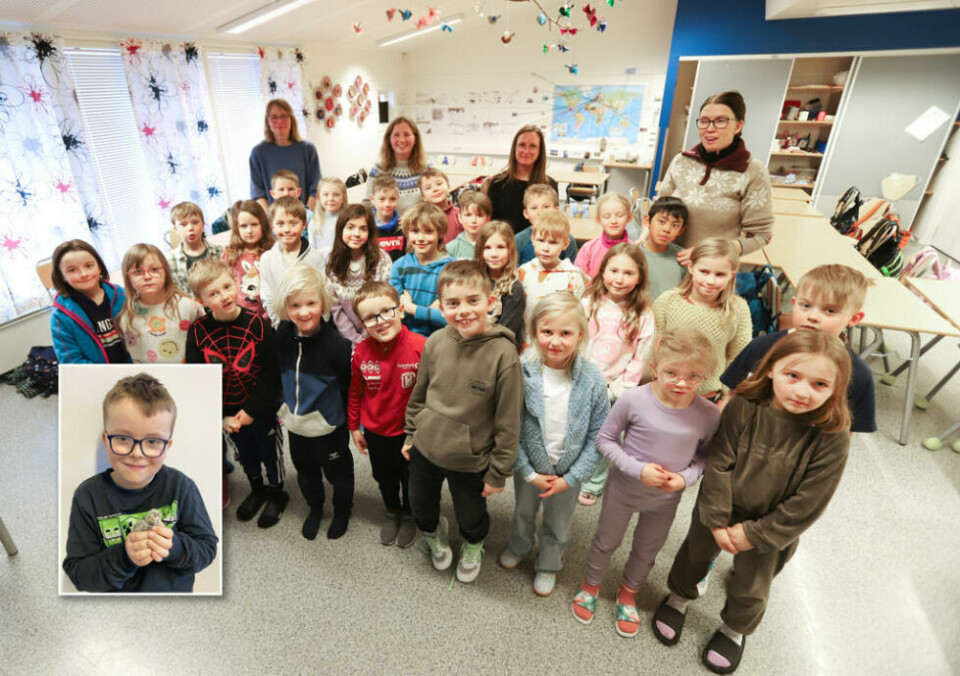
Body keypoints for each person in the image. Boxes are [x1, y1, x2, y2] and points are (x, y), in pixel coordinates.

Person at [651, 330, 853, 675]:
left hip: (773, 525)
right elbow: (720, 461)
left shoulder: (833, 434)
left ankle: (735, 630)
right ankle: (679, 597)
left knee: (752, 583)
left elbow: (810, 501)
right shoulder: (745, 405)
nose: (803, 391)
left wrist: (755, 535)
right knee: (694, 555)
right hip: (719, 505)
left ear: (837, 388)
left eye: (820, 385)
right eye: (793, 376)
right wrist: (716, 519)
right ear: (771, 369)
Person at [572, 329, 720, 636]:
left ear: (705, 376)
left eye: (693, 376)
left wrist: (684, 478)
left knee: (647, 550)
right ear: (655, 367)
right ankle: (591, 585)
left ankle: (628, 594)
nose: (682, 383)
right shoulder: (634, 399)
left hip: (664, 501)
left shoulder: (708, 414)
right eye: (672, 373)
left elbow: (705, 458)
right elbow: (605, 440)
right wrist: (638, 470)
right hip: (624, 491)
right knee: (605, 541)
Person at [402, 261, 523, 584]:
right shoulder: (435, 342)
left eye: (473, 300)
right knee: (420, 505)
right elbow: (420, 392)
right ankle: (432, 533)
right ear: (441, 307)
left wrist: (499, 472)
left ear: (491, 302)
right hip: (425, 448)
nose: (463, 310)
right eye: (453, 304)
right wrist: (411, 434)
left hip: (471, 459)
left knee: (471, 516)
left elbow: (508, 422)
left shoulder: (503, 355)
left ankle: (473, 545)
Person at [63, 373, 218, 593]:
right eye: (123, 439)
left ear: (167, 446)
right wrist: (125, 557)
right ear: (106, 441)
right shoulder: (88, 496)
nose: (137, 453)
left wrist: (173, 547)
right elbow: (80, 575)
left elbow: (207, 550)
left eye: (153, 441)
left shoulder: (181, 487)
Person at [501, 294, 608, 597]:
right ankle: (520, 546)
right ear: (534, 331)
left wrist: (572, 478)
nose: (556, 342)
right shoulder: (522, 370)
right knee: (523, 511)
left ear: (580, 335)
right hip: (530, 468)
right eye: (547, 332)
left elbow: (599, 435)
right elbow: (511, 426)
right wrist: (526, 471)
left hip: (568, 472)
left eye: (566, 333)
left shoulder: (592, 378)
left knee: (559, 522)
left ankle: (548, 563)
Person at [185, 258, 285, 529]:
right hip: (228, 412)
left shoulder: (258, 325)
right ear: (201, 299)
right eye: (213, 294)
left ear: (236, 283)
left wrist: (252, 410)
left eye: (227, 287)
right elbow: (199, 380)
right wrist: (221, 418)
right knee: (245, 455)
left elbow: (271, 374)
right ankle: (257, 489)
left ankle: (277, 493)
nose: (224, 296)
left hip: (260, 409)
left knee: (269, 454)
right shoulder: (197, 332)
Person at [721, 264, 876, 433]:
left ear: (854, 318)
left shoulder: (858, 374)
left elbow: (845, 433)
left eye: (830, 310)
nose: (812, 316)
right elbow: (731, 397)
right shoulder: (761, 346)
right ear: (794, 304)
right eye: (806, 306)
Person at [273, 265, 354, 541]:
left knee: (339, 475)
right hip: (296, 427)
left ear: (322, 301)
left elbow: (347, 386)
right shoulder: (282, 335)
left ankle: (342, 510)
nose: (303, 311)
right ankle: (315, 508)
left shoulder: (337, 346)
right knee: (306, 474)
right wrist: (280, 406)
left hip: (329, 429)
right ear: (285, 306)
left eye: (311, 303)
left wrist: (339, 421)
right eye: (295, 305)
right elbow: (275, 375)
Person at [577, 243, 657, 506]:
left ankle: (594, 483)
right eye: (613, 270)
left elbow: (640, 357)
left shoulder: (643, 314)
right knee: (575, 429)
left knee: (602, 437)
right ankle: (573, 470)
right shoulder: (588, 302)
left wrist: (617, 389)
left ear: (640, 278)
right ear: (603, 271)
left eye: (628, 273)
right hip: (580, 378)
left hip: (612, 387)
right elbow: (575, 339)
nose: (619, 279)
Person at [348, 281, 427, 549]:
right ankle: (392, 510)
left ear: (401, 310)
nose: (380, 321)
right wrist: (354, 427)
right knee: (384, 476)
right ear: (362, 323)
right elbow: (356, 391)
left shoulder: (422, 347)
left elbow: (432, 395)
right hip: (376, 432)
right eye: (370, 317)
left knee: (411, 478)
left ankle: (409, 513)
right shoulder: (361, 351)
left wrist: (419, 432)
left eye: (387, 311)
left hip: (411, 434)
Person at [658, 91, 773, 266]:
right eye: (704, 121)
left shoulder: (753, 171)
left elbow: (760, 235)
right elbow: (659, 210)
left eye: (720, 121)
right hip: (667, 262)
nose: (709, 128)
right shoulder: (681, 162)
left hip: (712, 272)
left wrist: (709, 252)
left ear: (738, 126)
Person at [653, 237, 752, 402]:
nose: (710, 281)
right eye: (704, 272)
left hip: (709, 397)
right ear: (691, 267)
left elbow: (739, 358)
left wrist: (726, 398)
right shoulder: (667, 301)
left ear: (732, 275)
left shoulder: (739, 309)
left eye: (720, 274)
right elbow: (654, 348)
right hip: (665, 392)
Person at [119, 243, 204, 364]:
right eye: (138, 271)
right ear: (128, 278)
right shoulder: (127, 318)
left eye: (154, 269)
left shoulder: (190, 307)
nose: (147, 276)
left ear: (165, 271)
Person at [50, 239, 129, 364]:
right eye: (72, 270)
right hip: (96, 377)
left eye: (89, 266)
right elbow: (71, 361)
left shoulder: (122, 295)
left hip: (134, 369)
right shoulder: (61, 316)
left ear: (99, 267)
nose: (84, 274)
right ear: (62, 276)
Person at [325, 204, 392, 345]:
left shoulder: (382, 259)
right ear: (340, 229)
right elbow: (336, 308)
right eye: (350, 227)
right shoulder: (332, 261)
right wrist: (356, 340)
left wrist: (368, 336)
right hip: (347, 339)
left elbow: (384, 302)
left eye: (363, 229)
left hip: (379, 333)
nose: (356, 233)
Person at [259, 196, 326, 328]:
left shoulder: (316, 257)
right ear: (272, 225)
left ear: (304, 224)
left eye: (293, 223)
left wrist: (317, 322)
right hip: (284, 327)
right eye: (280, 224)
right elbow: (268, 298)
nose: (286, 229)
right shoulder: (267, 259)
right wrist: (280, 326)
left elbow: (324, 293)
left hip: (315, 324)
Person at [388, 202, 453, 336]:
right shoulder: (399, 266)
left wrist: (411, 308)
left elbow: (448, 318)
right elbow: (395, 312)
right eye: (415, 231)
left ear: (440, 233)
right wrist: (430, 312)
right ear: (407, 233)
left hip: (441, 339)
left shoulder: (451, 268)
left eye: (428, 231)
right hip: (406, 339)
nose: (421, 238)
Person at [483, 125, 559, 234]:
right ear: (515, 147)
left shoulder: (549, 185)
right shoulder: (497, 183)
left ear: (540, 151)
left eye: (532, 146)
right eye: (522, 145)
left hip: (540, 246)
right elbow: (491, 225)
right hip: (505, 246)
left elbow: (553, 222)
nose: (526, 150)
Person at [249, 98, 321, 211]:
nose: (279, 121)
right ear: (267, 121)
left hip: (306, 219)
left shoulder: (307, 150)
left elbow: (316, 187)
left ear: (291, 119)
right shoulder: (258, 154)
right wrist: (274, 220)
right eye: (274, 117)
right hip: (276, 223)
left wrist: (306, 216)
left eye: (284, 116)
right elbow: (258, 193)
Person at [518, 210, 588, 324]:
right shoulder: (523, 272)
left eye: (553, 242)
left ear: (565, 244)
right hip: (526, 338)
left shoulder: (573, 277)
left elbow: (579, 317)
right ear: (533, 239)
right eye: (540, 240)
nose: (545, 248)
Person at [221, 200, 276, 319]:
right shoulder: (230, 254)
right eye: (244, 226)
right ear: (237, 228)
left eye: (254, 224)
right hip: (241, 316)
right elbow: (224, 286)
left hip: (271, 314)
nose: (249, 231)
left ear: (263, 225)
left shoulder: (272, 251)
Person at [475, 220, 525, 345]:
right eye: (487, 248)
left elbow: (506, 332)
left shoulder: (514, 288)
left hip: (498, 349)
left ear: (510, 250)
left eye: (501, 247)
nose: (494, 254)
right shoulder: (473, 281)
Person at [365, 117, 427, 217]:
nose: (402, 140)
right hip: (385, 230)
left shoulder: (427, 170)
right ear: (389, 138)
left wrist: (412, 220)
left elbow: (434, 206)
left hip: (418, 228)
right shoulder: (378, 170)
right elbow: (367, 204)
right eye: (396, 135)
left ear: (415, 138)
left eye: (407, 134)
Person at [165, 202, 224, 298]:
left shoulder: (219, 252)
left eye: (195, 222)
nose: (190, 228)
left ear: (203, 224)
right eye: (183, 224)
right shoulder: (170, 261)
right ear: (175, 229)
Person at [513, 184, 578, 265]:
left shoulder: (568, 239)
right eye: (534, 208)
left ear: (556, 209)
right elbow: (513, 273)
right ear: (526, 213)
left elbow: (570, 270)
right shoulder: (518, 240)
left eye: (546, 207)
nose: (540, 212)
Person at [640, 196, 688, 302]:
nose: (667, 229)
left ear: (681, 230)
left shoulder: (682, 258)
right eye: (661, 222)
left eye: (675, 225)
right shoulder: (634, 254)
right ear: (647, 221)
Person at [574, 193, 633, 279]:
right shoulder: (588, 249)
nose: (613, 221)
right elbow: (577, 280)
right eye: (606, 216)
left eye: (620, 215)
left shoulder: (635, 251)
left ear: (629, 218)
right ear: (599, 220)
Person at [419, 167, 463, 244]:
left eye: (439, 184)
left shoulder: (461, 215)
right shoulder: (420, 218)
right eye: (428, 188)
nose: (435, 189)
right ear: (423, 196)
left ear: (449, 187)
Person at [369, 174, 405, 261]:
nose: (387, 204)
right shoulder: (367, 227)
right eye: (382, 199)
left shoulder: (404, 226)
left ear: (397, 198)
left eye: (392, 199)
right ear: (372, 199)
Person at [447, 190, 492, 260]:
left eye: (479, 215)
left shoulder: (494, 245)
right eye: (468, 215)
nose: (473, 220)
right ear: (460, 217)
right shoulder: (451, 249)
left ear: (487, 219)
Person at [311, 177, 348, 256]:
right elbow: (312, 251)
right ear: (318, 198)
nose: (331, 198)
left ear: (343, 198)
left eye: (336, 195)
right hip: (322, 266)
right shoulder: (314, 223)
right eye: (326, 195)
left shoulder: (349, 220)